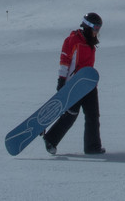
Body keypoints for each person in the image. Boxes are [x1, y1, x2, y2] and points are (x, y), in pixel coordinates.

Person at [42, 13, 105, 155]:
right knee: (71, 114)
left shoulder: (91, 43)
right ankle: (51, 139)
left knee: (93, 115)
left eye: (99, 28)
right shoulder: (73, 40)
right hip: (74, 85)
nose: (97, 31)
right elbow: (64, 61)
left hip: (88, 84)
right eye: (95, 27)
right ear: (87, 26)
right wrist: (61, 81)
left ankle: (92, 147)